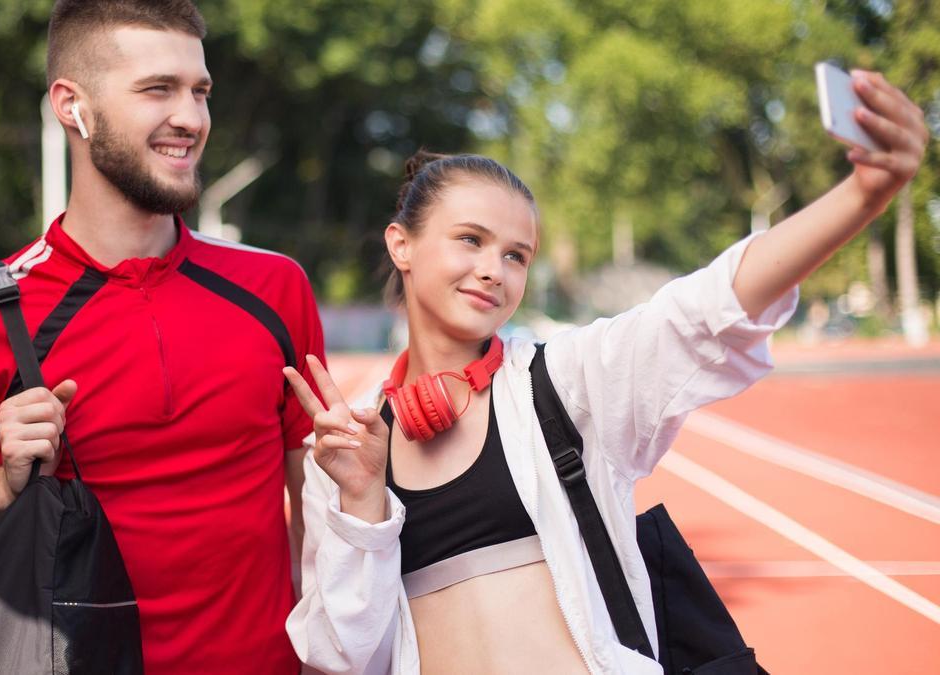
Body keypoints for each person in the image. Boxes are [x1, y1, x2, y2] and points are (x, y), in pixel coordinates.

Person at [283, 71, 928, 674]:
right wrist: (361, 504)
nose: (494, 270)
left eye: (517, 255)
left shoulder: (565, 384)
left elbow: (700, 312)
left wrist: (863, 195)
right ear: (402, 244)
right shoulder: (346, 450)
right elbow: (340, 655)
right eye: (470, 240)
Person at [0, 1, 322, 672]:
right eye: (158, 89)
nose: (191, 117)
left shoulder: (276, 289)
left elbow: (317, 510)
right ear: (73, 106)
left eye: (200, 91)